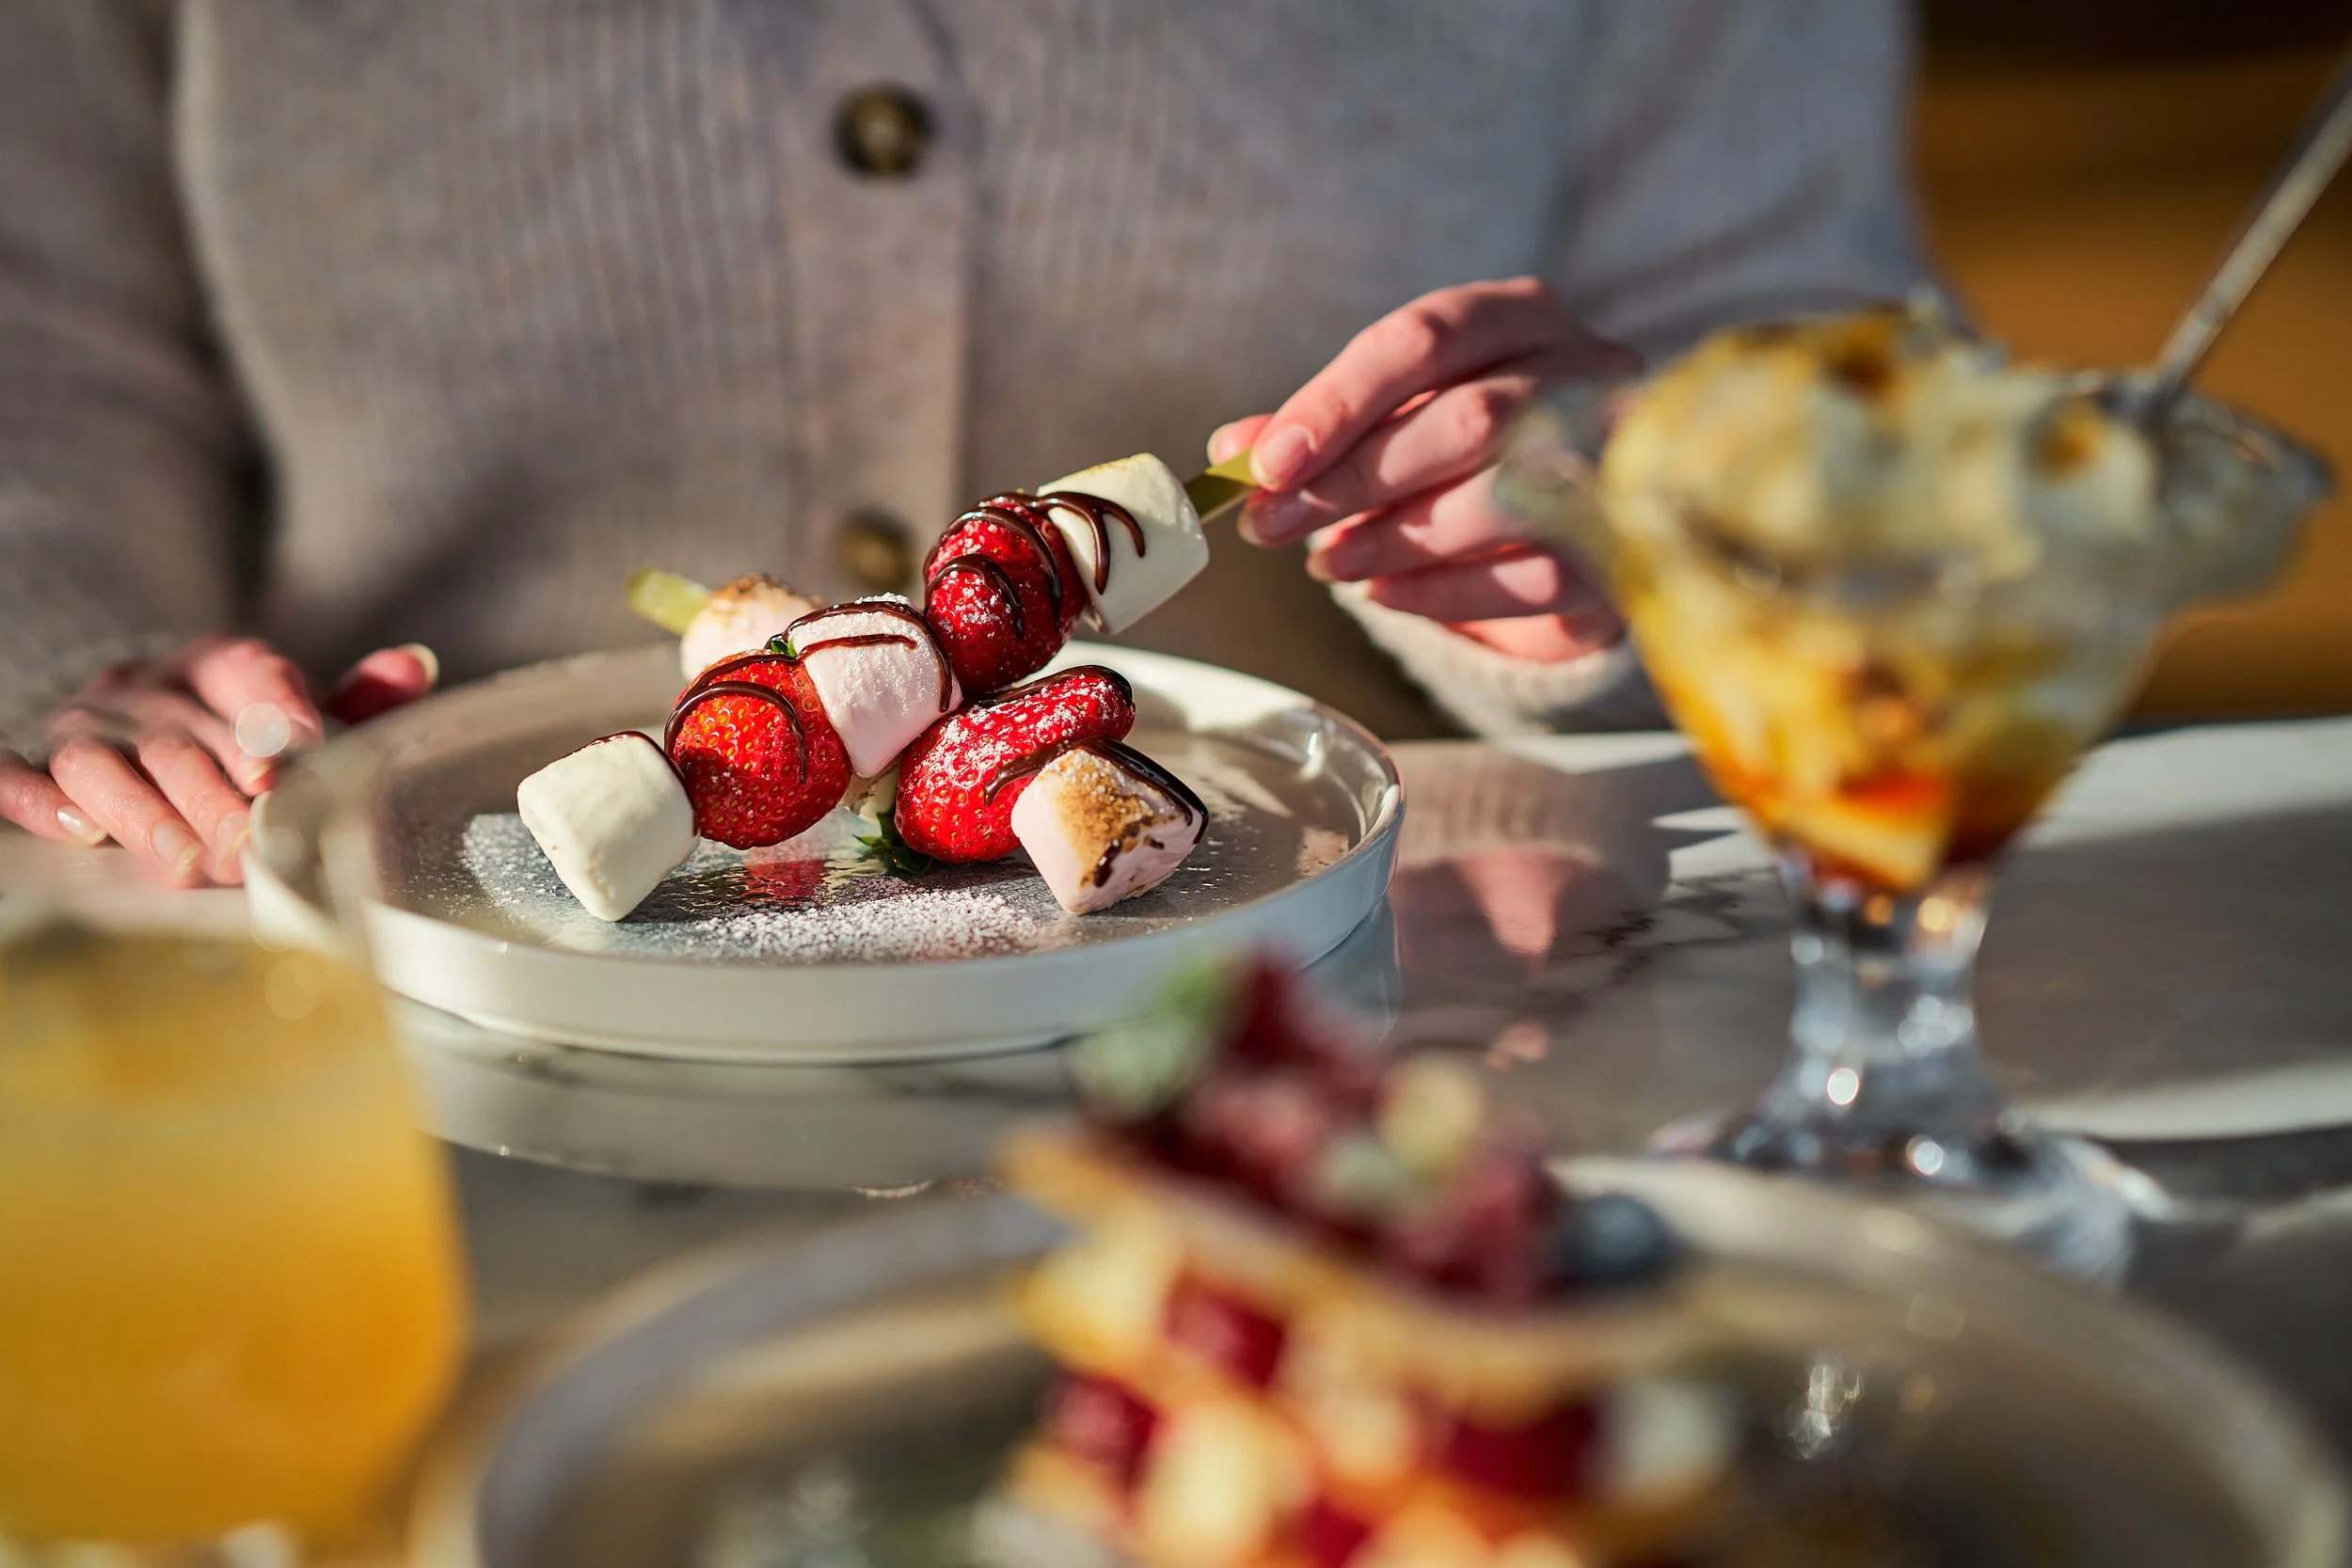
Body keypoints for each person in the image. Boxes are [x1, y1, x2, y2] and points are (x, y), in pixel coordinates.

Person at [0, 2, 1930, 885]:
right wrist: (73, 650)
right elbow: (43, 342)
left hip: (1385, 1026)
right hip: (392, 988)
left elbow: (1833, 388)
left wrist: (1664, 523)